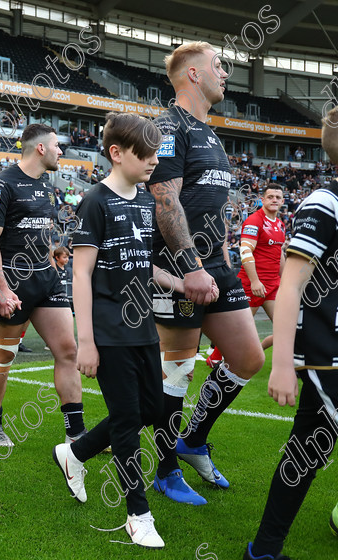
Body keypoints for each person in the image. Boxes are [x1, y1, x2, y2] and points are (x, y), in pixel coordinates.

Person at [54, 112, 187, 549]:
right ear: (116, 153)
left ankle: (73, 453)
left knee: (152, 412)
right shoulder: (94, 201)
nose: (153, 161)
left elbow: (141, 264)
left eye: (156, 153)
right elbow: (81, 275)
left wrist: (177, 282)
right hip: (108, 331)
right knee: (129, 421)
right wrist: (86, 342)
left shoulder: (147, 201)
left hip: (143, 326)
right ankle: (138, 514)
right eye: (144, 153)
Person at [146, 42, 264, 505]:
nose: (225, 74)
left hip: (216, 263)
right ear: (193, 74)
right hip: (180, 266)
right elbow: (166, 201)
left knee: (247, 358)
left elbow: (208, 204)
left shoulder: (209, 132)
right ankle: (164, 470)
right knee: (175, 373)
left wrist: (225, 255)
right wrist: (192, 268)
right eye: (219, 66)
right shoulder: (167, 126)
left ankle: (192, 441)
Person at [243, 106, 338, 560]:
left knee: (308, 452)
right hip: (327, 357)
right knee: (307, 454)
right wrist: (282, 363)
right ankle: (264, 550)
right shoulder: (326, 201)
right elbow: (292, 286)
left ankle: (263, 550)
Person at [0, 124, 86, 447]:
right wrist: (0, 288)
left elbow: (40, 229)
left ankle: (76, 433)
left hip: (46, 277)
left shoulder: (47, 184)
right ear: (40, 148)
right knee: (4, 355)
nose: (60, 151)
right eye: (57, 146)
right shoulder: (1, 184)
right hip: (12, 282)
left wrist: (53, 251)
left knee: (68, 350)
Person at [236, 184, 285, 350]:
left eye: (278, 197)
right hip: (252, 285)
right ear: (262, 200)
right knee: (239, 331)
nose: (274, 200)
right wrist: (255, 281)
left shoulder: (280, 224)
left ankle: (258, 354)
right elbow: (245, 250)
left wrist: (285, 281)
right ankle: (216, 361)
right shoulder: (254, 220)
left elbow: (279, 254)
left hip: (273, 285)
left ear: (283, 201)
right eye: (270, 197)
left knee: (287, 329)